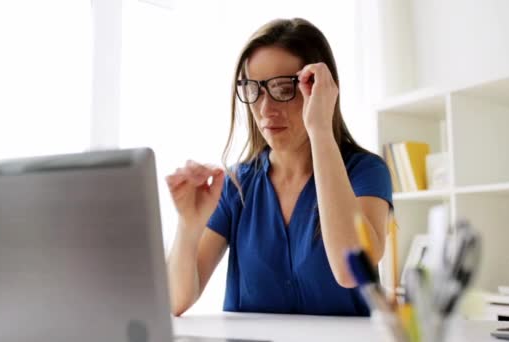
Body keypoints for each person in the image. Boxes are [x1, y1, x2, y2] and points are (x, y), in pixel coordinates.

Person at [166, 18, 392, 317]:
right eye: (253, 89)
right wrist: (188, 225)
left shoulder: (365, 171)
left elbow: (350, 270)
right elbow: (175, 302)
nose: (265, 109)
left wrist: (320, 130)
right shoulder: (236, 184)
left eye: (283, 88)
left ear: (319, 90)